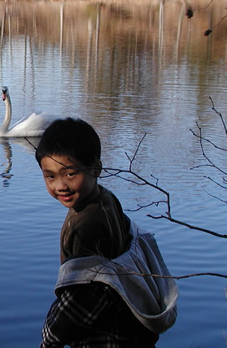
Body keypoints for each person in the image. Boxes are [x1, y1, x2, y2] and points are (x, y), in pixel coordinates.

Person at [35, 118, 178, 348]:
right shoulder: (106, 199)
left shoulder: (86, 228)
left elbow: (83, 297)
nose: (60, 185)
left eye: (70, 174)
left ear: (96, 169)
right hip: (130, 331)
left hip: (105, 337)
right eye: (50, 176)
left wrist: (50, 339)